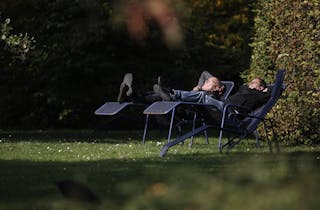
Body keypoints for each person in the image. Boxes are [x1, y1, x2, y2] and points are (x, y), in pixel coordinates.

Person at [154, 77, 271, 113]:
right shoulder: (244, 89)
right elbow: (245, 87)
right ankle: (170, 93)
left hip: (230, 112)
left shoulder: (259, 95)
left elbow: (270, 94)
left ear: (261, 87)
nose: (251, 82)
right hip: (223, 106)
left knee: (202, 96)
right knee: (202, 95)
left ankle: (172, 94)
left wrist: (266, 90)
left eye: (254, 82)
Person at [116, 71, 225, 104]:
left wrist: (219, 89)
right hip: (180, 100)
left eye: (209, 82)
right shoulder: (202, 89)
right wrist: (199, 86)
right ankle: (130, 95)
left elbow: (221, 104)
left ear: (215, 89)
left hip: (186, 107)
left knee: (200, 94)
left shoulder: (212, 96)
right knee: (156, 96)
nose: (206, 81)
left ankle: (168, 91)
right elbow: (205, 73)